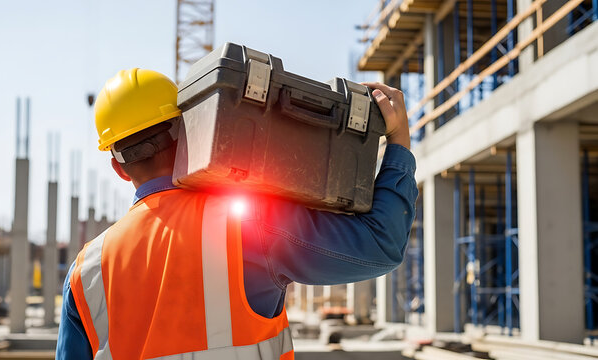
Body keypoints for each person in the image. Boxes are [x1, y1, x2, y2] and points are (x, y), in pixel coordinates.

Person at [56, 68, 417, 360]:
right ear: (190, 131)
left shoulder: (86, 271)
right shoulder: (249, 220)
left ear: (119, 168)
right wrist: (398, 140)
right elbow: (380, 245)